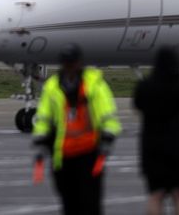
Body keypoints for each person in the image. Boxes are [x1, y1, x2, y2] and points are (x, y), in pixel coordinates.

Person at [33, 44, 122, 215]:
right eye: (66, 63)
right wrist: (41, 139)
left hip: (89, 154)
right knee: (69, 204)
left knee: (90, 204)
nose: (69, 67)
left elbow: (107, 114)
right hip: (63, 155)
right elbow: (44, 116)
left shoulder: (94, 84)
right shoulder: (53, 86)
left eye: (72, 62)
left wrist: (108, 136)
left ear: (79, 63)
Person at [133, 46, 179, 215]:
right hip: (176, 142)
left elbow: (137, 105)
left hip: (151, 144)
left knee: (156, 194)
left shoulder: (145, 85)